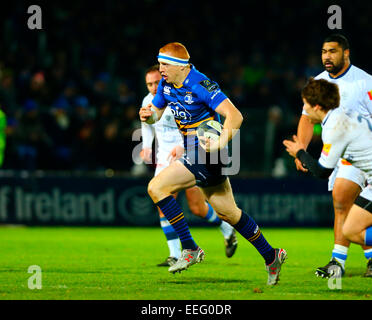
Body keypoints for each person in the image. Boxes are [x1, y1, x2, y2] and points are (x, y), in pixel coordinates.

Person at [139, 42, 286, 285]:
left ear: (180, 66)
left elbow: (235, 115)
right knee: (229, 213)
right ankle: (272, 255)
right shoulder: (166, 85)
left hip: (208, 152)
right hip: (197, 152)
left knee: (156, 187)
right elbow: (155, 112)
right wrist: (149, 116)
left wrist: (220, 142)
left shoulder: (200, 84)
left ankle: (190, 248)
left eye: (165, 64)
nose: (161, 69)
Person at [140, 65, 238, 267]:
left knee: (197, 208)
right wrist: (145, 146)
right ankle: (175, 254)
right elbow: (147, 126)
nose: (152, 87)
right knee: (162, 200)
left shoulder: (176, 94)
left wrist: (182, 148)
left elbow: (192, 126)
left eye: (155, 82)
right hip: (163, 157)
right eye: (148, 84)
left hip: (188, 153)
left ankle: (226, 229)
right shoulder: (149, 102)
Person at [295, 34, 372, 277]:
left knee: (341, 197)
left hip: (360, 153)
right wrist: (302, 150)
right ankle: (346, 262)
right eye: (324, 51)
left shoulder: (364, 81)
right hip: (340, 154)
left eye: (333, 51)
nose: (327, 56)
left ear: (346, 53)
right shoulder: (318, 83)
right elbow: (306, 119)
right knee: (343, 206)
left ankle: (338, 263)